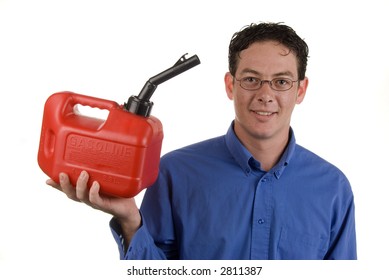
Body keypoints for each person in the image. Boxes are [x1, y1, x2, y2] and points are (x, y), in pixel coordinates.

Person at [47, 22, 357, 260]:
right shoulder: (173, 174)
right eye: (251, 79)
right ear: (229, 85)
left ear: (300, 90)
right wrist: (129, 219)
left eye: (281, 82)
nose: (266, 94)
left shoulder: (333, 188)